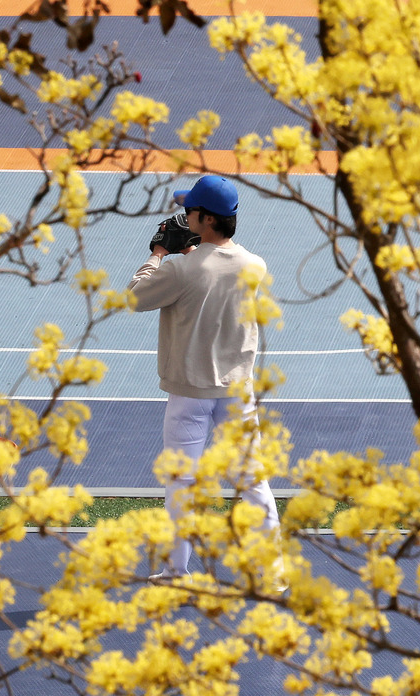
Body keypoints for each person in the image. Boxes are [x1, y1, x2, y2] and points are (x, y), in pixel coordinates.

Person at [127, 175, 282, 584]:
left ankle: (177, 570)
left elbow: (135, 295)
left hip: (188, 394)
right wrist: (195, 250)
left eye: (191, 211)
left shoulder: (181, 269)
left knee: (182, 484)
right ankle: (275, 571)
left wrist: (160, 252)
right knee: (252, 480)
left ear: (207, 219)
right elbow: (215, 277)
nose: (185, 215)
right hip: (237, 391)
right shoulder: (256, 265)